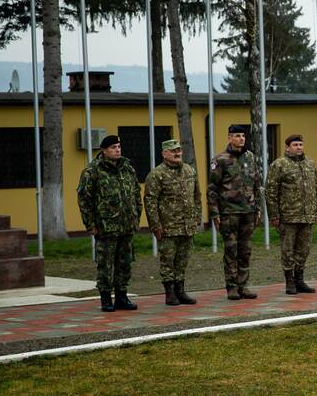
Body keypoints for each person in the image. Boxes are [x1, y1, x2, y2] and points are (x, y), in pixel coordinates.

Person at [76, 134, 142, 312]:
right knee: (106, 264)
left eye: (119, 146)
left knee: (125, 263)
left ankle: (122, 296)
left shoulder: (127, 168)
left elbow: (136, 193)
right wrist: (90, 224)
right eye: (113, 147)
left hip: (127, 225)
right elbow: (84, 199)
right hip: (106, 227)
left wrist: (136, 217)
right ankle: (106, 298)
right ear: (104, 151)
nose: (118, 150)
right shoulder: (93, 171)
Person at [207, 125, 263, 301]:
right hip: (229, 213)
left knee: (245, 250)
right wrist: (215, 214)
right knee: (231, 250)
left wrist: (258, 208)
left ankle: (243, 285)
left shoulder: (250, 157)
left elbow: (256, 184)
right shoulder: (220, 160)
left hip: (248, 211)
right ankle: (231, 287)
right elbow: (213, 188)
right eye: (237, 136)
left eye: (243, 136)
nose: (241, 139)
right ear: (230, 137)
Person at [144, 139, 202, 306]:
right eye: (172, 151)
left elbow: (196, 196)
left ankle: (180, 290)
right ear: (164, 154)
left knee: (183, 260)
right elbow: (150, 201)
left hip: (187, 225)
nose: (177, 153)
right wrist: (155, 225)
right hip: (168, 226)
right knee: (168, 260)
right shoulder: (157, 174)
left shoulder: (189, 171)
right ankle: (170, 292)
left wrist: (197, 217)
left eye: (179, 150)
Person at [266, 134, 317, 295]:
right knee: (288, 249)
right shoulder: (279, 165)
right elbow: (270, 191)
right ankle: (289, 281)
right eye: (295, 145)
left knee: (304, 249)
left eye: (300, 144)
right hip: (288, 215)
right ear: (287, 147)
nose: (298, 147)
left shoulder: (310, 164)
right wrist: (274, 215)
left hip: (307, 215)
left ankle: (299, 279)